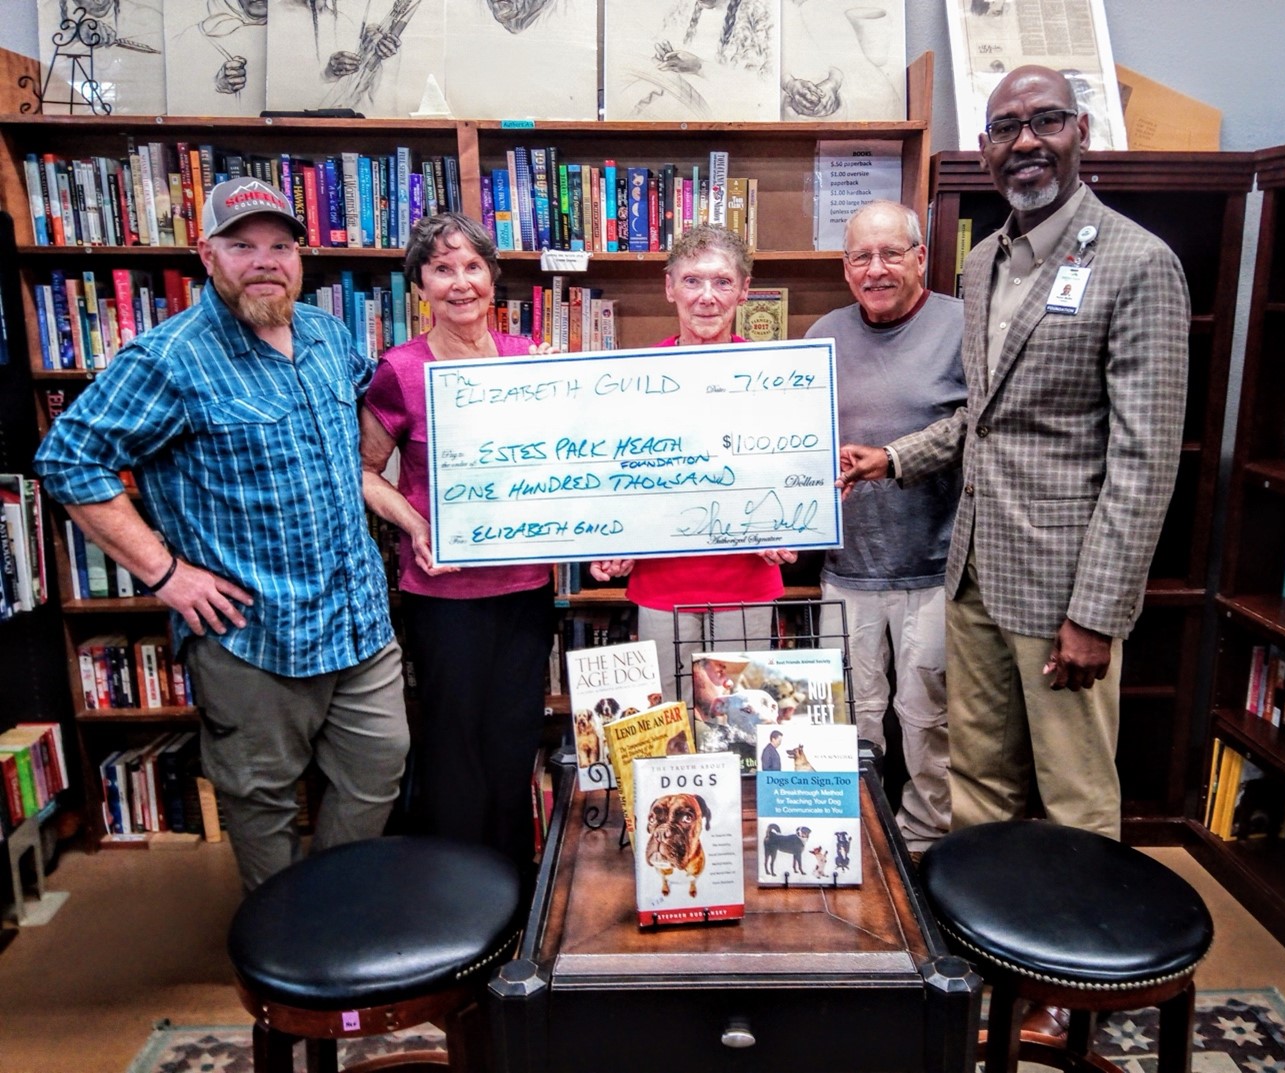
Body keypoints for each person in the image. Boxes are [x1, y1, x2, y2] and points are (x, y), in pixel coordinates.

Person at [840, 65, 1188, 846]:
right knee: (976, 785)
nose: (1026, 141)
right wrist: (891, 459)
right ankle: (986, 947)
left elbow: (1145, 460)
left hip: (1063, 591)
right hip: (971, 582)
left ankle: (1072, 966)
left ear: (1081, 133)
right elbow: (981, 421)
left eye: (1047, 121)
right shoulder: (983, 262)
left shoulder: (1138, 263)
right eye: (1006, 128)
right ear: (987, 148)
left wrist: (1096, 614)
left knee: (1074, 792)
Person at [33, 177, 409, 893]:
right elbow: (68, 457)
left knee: (379, 767)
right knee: (261, 800)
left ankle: (327, 905)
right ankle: (283, 942)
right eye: (243, 245)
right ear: (207, 254)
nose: (264, 260)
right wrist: (165, 573)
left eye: (279, 245)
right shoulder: (168, 357)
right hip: (253, 633)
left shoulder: (328, 334)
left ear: (300, 256)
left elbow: (380, 423)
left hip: (359, 621)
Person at [359, 212, 554, 873]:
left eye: (472, 266)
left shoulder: (532, 361)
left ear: (494, 279)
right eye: (442, 268)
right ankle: (456, 894)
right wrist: (414, 524)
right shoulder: (400, 370)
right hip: (444, 595)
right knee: (453, 748)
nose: (460, 281)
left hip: (526, 588)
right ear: (420, 284)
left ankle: (512, 890)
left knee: (513, 740)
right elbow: (362, 470)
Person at [809, 199, 966, 855]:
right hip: (846, 569)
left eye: (890, 253)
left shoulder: (962, 325)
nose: (875, 269)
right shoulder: (823, 332)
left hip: (934, 567)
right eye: (860, 257)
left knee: (927, 718)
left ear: (920, 256)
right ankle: (857, 841)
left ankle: (927, 843)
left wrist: (893, 460)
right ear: (845, 267)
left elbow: (975, 427)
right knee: (847, 715)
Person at [591, 225, 796, 706]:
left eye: (723, 282)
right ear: (669, 287)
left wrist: (793, 526)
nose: (707, 298)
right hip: (662, 583)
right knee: (667, 726)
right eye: (692, 281)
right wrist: (612, 540)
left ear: (744, 290)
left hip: (747, 581)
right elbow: (616, 477)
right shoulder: (633, 380)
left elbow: (795, 471)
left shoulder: (779, 378)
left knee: (742, 727)